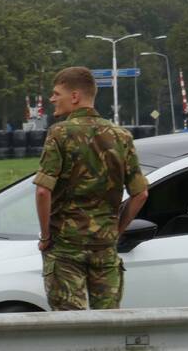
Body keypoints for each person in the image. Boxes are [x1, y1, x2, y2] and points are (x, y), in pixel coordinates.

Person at [33, 67, 150, 311]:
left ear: (74, 96)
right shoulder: (122, 136)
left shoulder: (60, 133)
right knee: (107, 326)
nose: (52, 99)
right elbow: (140, 194)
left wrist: (46, 237)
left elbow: (43, 191)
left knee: (71, 326)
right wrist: (116, 231)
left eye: (56, 94)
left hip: (65, 248)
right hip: (105, 248)